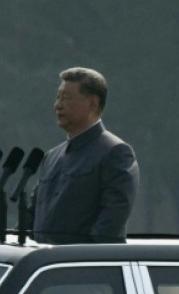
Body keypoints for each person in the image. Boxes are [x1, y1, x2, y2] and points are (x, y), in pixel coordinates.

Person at [28, 67, 140, 244]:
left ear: (92, 103)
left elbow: (111, 222)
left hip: (84, 266)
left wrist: (82, 259)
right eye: (58, 97)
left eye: (66, 98)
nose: (58, 105)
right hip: (46, 266)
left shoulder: (115, 152)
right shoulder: (51, 157)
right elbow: (32, 215)